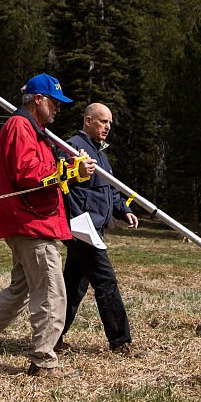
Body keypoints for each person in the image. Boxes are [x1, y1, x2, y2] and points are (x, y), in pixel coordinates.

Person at [0, 73, 94, 378]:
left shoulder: (34, 129)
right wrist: (67, 169)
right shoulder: (20, 126)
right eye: (54, 102)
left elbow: (46, 172)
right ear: (37, 99)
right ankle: (43, 361)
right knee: (53, 290)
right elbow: (29, 175)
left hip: (29, 219)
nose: (58, 108)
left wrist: (73, 170)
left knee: (21, 289)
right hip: (29, 223)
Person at [57, 102, 140, 355]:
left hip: (94, 229)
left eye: (110, 123)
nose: (108, 127)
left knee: (73, 287)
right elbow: (62, 184)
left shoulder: (101, 154)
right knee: (106, 282)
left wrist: (123, 210)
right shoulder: (71, 148)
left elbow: (109, 190)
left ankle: (53, 337)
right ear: (88, 121)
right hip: (82, 229)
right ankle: (121, 342)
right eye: (103, 121)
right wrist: (76, 223)